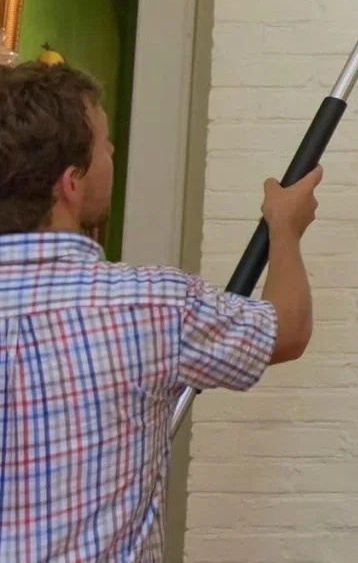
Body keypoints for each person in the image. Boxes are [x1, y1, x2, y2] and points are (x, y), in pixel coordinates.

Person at [0, 61, 322, 561]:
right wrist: (285, 228)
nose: (112, 152)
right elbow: (288, 328)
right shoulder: (148, 307)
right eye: (103, 144)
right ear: (70, 183)